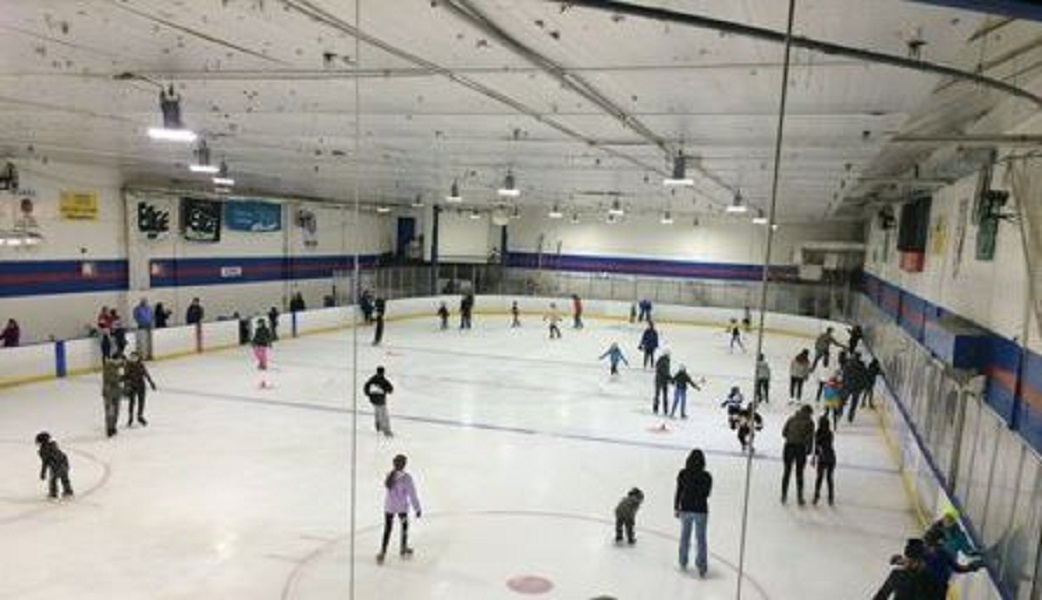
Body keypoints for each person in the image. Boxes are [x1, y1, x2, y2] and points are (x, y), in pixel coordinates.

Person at [377, 454, 422, 564]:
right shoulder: (406, 478)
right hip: (402, 509)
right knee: (404, 527)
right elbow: (412, 494)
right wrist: (417, 508)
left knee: (387, 529)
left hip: (389, 508)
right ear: (404, 465)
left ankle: (382, 552)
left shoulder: (389, 475)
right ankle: (403, 548)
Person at [674, 449, 712, 577]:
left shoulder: (683, 474)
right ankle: (701, 566)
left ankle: (683, 561)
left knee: (685, 535)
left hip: (686, 508)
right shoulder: (707, 476)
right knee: (701, 538)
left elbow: (679, 491)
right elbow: (707, 494)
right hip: (701, 510)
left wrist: (676, 507)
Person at [781, 405, 815, 505]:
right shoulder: (810, 422)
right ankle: (799, 498)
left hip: (788, 447)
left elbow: (783, 433)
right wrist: (809, 450)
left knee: (787, 472)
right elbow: (810, 438)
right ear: (809, 413)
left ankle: (784, 496)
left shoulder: (791, 419)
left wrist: (791, 437)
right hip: (800, 448)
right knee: (799, 473)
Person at [35, 432, 73, 500]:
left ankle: (53, 494)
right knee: (64, 478)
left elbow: (45, 463)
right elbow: (63, 455)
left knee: (53, 480)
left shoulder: (43, 451)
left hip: (56, 466)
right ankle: (68, 491)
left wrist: (43, 473)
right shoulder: (54, 445)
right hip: (64, 463)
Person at [123, 351, 156, 427]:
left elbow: (146, 373)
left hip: (141, 385)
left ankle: (140, 416)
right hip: (132, 385)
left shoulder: (140, 364)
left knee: (141, 401)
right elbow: (126, 376)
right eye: (132, 357)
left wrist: (151, 383)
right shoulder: (128, 365)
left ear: (138, 358)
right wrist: (124, 385)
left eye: (135, 357)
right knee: (132, 402)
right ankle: (130, 417)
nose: (133, 359)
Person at [364, 366, 395, 437]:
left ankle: (378, 425)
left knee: (378, 413)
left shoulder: (372, 379)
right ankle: (386, 430)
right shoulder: (383, 380)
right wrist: (383, 389)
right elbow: (390, 389)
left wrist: (370, 394)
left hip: (375, 401)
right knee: (384, 416)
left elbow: (366, 389)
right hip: (380, 401)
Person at [812, 415, 836, 505]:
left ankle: (816, 496)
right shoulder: (830, 433)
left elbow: (817, 447)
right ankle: (830, 497)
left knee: (819, 478)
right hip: (831, 458)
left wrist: (814, 458)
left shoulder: (818, 433)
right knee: (829, 478)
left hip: (823, 458)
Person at [101, 355, 124, 438]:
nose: (121, 361)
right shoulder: (108, 367)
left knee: (117, 411)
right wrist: (122, 377)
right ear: (115, 360)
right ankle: (109, 428)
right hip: (109, 393)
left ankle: (114, 426)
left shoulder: (119, 367)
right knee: (110, 412)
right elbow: (111, 379)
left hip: (117, 392)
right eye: (120, 360)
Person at [653, 350, 671, 415]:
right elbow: (663, 371)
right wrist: (669, 378)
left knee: (664, 395)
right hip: (660, 380)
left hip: (663, 380)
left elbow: (666, 371)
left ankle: (664, 409)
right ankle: (656, 408)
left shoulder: (666, 360)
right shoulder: (663, 360)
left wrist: (669, 378)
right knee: (658, 394)